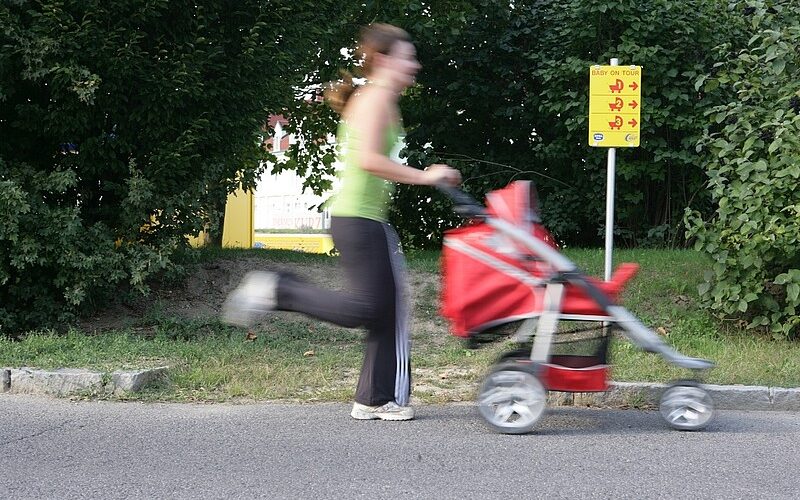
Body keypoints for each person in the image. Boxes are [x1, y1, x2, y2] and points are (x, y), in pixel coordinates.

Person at [222, 23, 461, 421]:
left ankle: (375, 398)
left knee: (386, 310)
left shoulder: (379, 98)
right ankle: (279, 290)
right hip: (358, 219)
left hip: (363, 219)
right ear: (384, 60)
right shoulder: (375, 100)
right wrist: (426, 175)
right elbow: (369, 159)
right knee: (368, 309)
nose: (415, 65)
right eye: (408, 56)